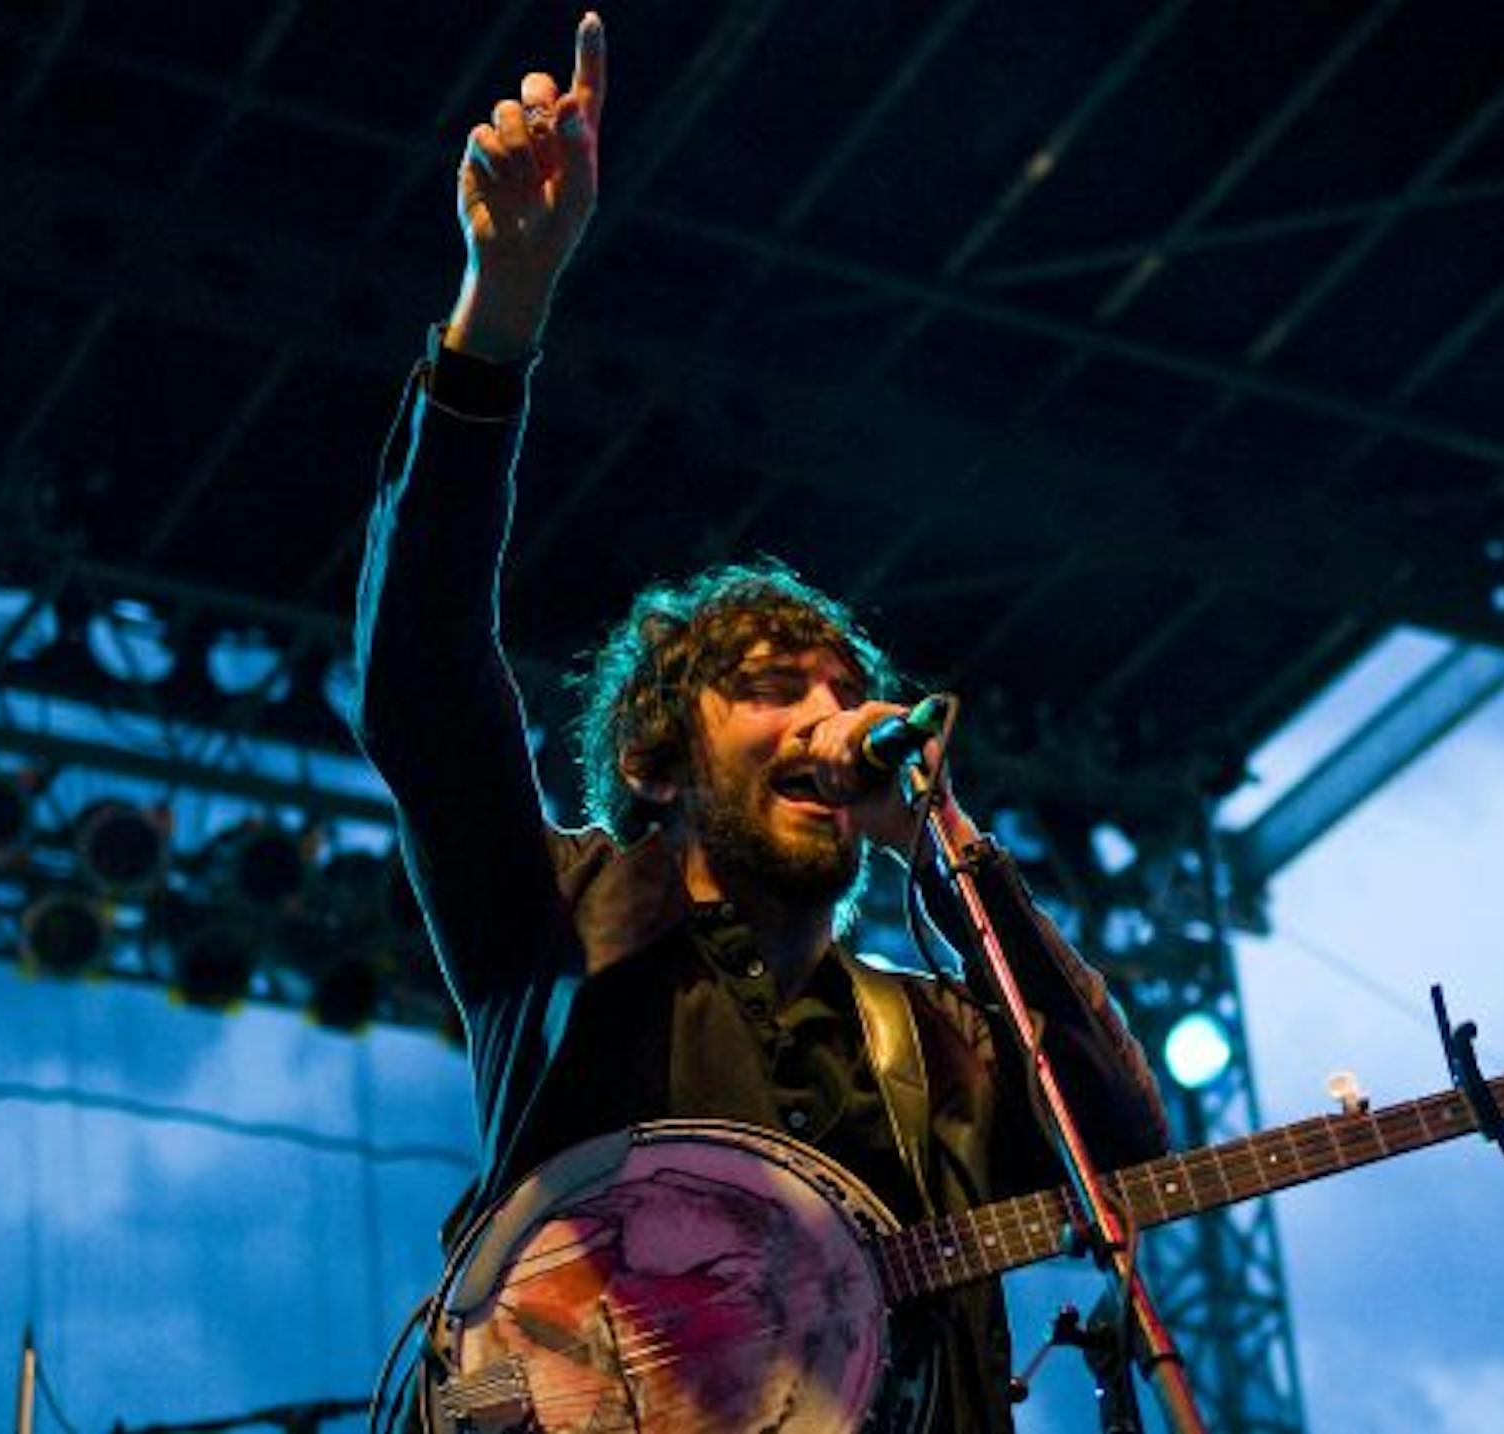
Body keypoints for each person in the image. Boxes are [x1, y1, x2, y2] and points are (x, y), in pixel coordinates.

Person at [353, 12, 1168, 1430]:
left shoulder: (938, 1037)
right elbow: (419, 673)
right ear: (658, 760)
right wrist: (497, 325)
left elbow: (1121, 1144)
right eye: (776, 687)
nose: (830, 719)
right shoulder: (560, 920)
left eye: (845, 692)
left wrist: (950, 857)